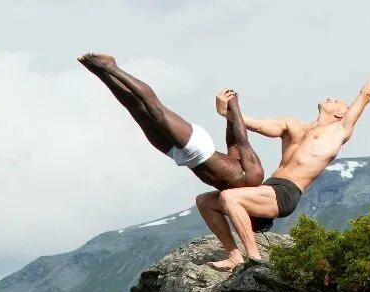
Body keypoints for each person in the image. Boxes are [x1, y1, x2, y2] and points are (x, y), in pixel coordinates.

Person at [206, 52, 370, 270]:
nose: (332, 97)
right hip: (268, 188)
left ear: (341, 113)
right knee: (204, 201)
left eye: (338, 100)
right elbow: (257, 125)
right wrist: (225, 112)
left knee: (229, 197)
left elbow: (366, 93)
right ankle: (234, 254)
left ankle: (254, 258)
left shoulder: (339, 131)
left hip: (286, 193)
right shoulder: (292, 125)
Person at [78, 53, 265, 191]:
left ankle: (100, 72)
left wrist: (229, 114)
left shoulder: (231, 198)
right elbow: (240, 142)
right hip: (198, 148)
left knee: (137, 111)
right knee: (155, 109)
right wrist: (233, 105)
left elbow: (232, 146)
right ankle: (112, 67)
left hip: (180, 156)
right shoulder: (255, 178)